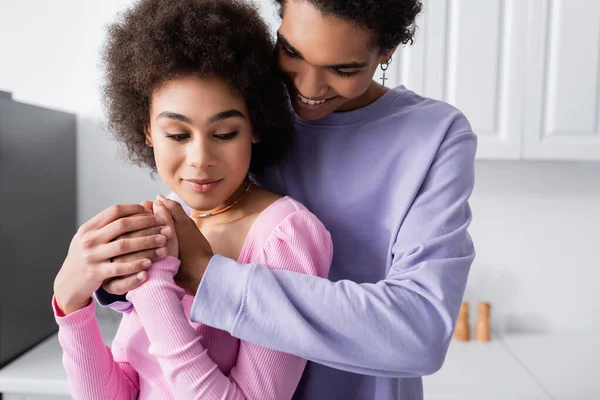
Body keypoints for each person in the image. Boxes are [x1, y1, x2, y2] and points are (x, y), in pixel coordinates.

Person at [99, 0, 478, 399]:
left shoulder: (434, 135)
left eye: (342, 69)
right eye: (292, 52)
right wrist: (120, 279)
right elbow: (196, 235)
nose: (308, 89)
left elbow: (420, 333)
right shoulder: (245, 107)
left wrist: (209, 278)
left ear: (386, 52)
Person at [51, 0, 332, 398]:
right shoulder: (166, 215)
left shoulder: (284, 237)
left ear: (255, 125)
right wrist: (70, 302)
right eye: (178, 135)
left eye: (224, 133)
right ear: (147, 130)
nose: (200, 159)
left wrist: (154, 287)